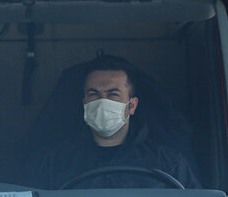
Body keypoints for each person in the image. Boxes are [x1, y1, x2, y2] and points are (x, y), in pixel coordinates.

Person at [29, 56, 200, 189]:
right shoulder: (53, 162)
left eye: (113, 94)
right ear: (84, 103)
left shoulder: (168, 162)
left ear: (132, 105)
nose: (102, 101)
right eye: (94, 94)